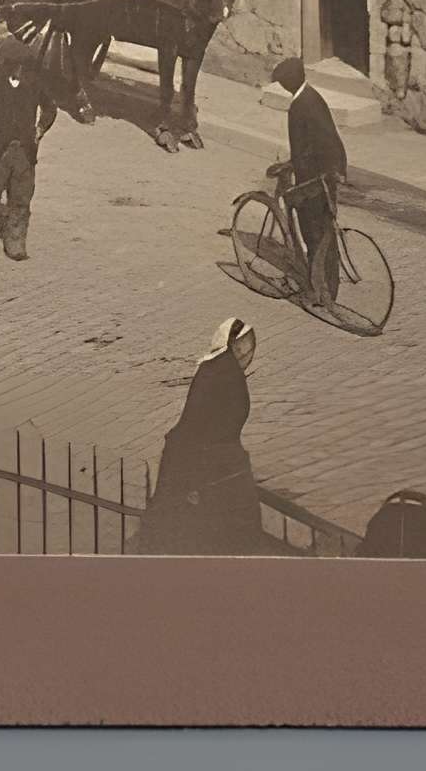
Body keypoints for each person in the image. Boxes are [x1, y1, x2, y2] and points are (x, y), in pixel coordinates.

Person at [137, 319, 263, 556]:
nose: (245, 353)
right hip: (204, 462)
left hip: (216, 458)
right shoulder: (219, 375)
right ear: (227, 347)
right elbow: (197, 426)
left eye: (247, 348)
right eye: (239, 348)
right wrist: (193, 481)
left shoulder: (219, 372)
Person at [0, 29, 55, 266]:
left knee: (21, 199)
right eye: (16, 64)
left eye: (24, 64)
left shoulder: (34, 82)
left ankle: (15, 244)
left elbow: (50, 108)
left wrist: (40, 130)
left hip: (25, 152)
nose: (19, 69)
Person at [269, 56, 348, 303]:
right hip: (322, 174)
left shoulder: (301, 104)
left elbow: (321, 142)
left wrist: (307, 172)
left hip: (315, 179)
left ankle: (318, 292)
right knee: (322, 232)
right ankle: (328, 288)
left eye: (282, 82)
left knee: (314, 232)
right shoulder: (310, 96)